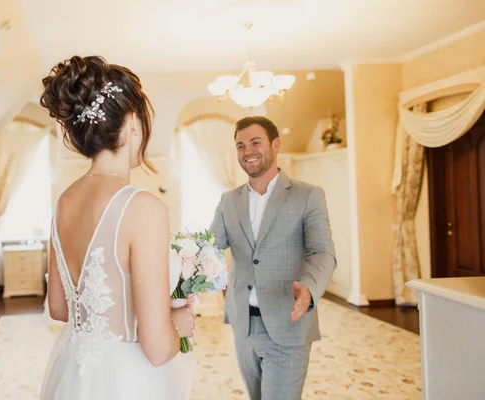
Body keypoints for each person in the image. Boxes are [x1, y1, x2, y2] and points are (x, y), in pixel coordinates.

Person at [39, 55, 195, 400]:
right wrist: (183, 321)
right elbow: (157, 349)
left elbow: (59, 309)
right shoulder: (142, 207)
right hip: (127, 381)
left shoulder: (64, 201)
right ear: (133, 122)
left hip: (74, 373)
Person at [209, 116, 336, 400]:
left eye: (255, 143)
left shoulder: (308, 195)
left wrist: (310, 288)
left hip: (288, 321)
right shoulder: (228, 200)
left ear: (275, 144)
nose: (247, 151)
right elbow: (209, 249)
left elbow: (322, 251)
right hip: (244, 324)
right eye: (241, 146)